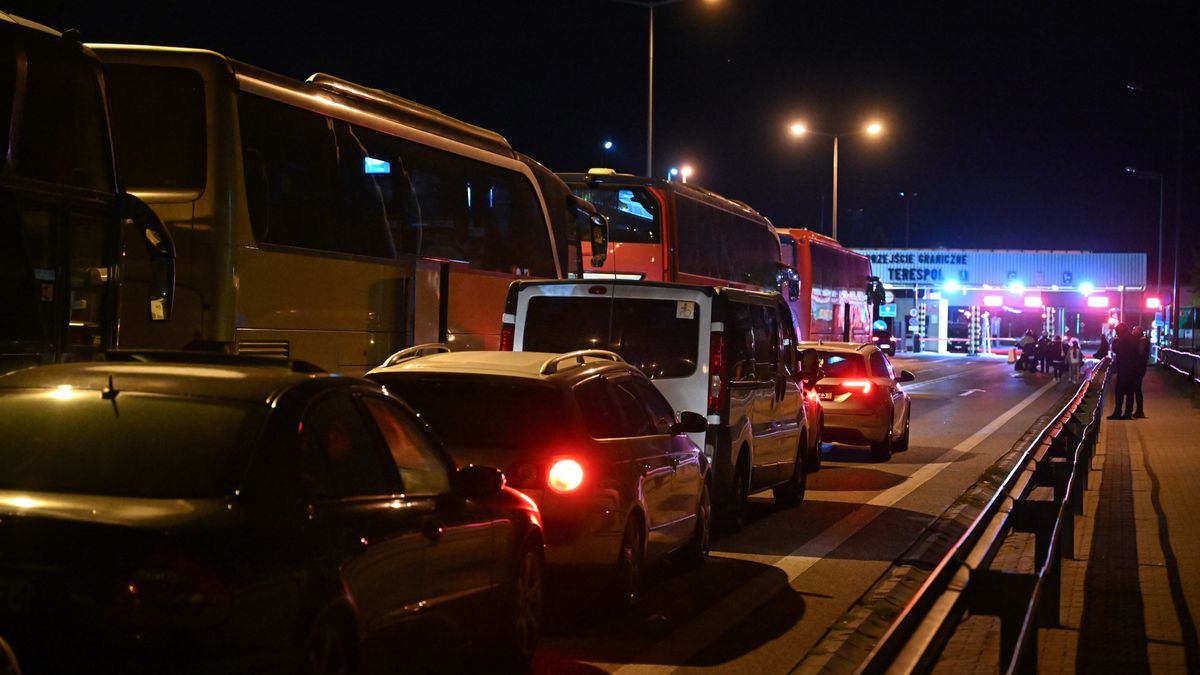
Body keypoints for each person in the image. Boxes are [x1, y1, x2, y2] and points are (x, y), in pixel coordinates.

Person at [1108, 323, 1140, 420]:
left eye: (1117, 332)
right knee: (1130, 392)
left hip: (1123, 368)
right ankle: (1127, 413)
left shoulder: (1121, 340)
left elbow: (1115, 349)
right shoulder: (1134, 339)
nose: (1117, 334)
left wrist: (1116, 340)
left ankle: (1118, 412)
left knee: (1119, 392)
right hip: (1132, 369)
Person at [1131, 325, 1150, 418]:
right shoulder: (1143, 340)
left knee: (1137, 389)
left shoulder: (1142, 341)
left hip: (1138, 368)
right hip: (1140, 368)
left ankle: (1139, 411)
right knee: (1137, 389)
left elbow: (1141, 354)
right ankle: (1139, 411)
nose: (1133, 333)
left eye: (1134, 331)